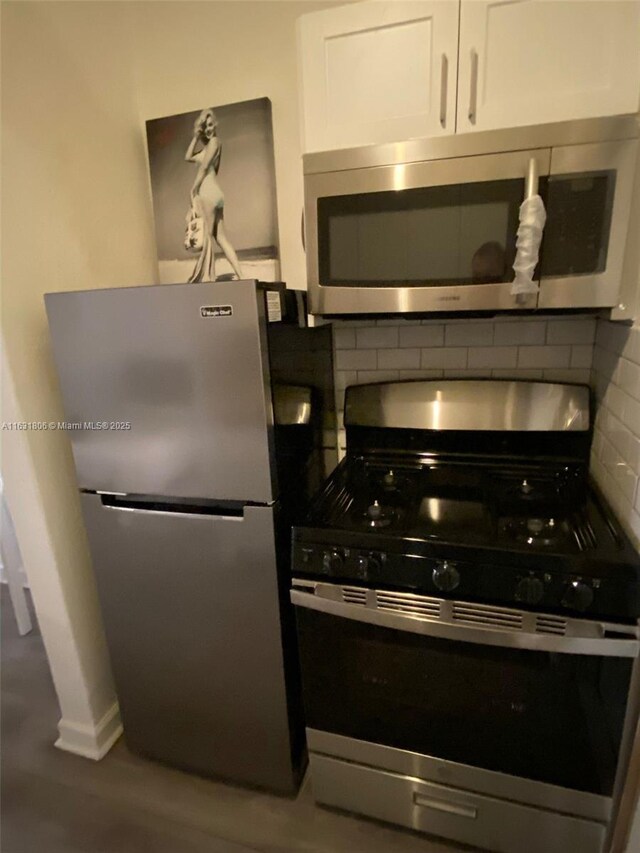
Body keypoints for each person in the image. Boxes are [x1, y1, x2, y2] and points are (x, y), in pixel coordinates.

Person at [185, 108, 242, 282]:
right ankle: (241, 276)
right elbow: (187, 157)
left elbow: (204, 168)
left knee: (207, 237)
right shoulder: (207, 147)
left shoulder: (215, 142)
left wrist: (193, 189)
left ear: (215, 125)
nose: (208, 129)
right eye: (205, 127)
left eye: (210, 125)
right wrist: (196, 136)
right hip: (216, 194)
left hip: (208, 193)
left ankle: (209, 278)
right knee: (220, 238)